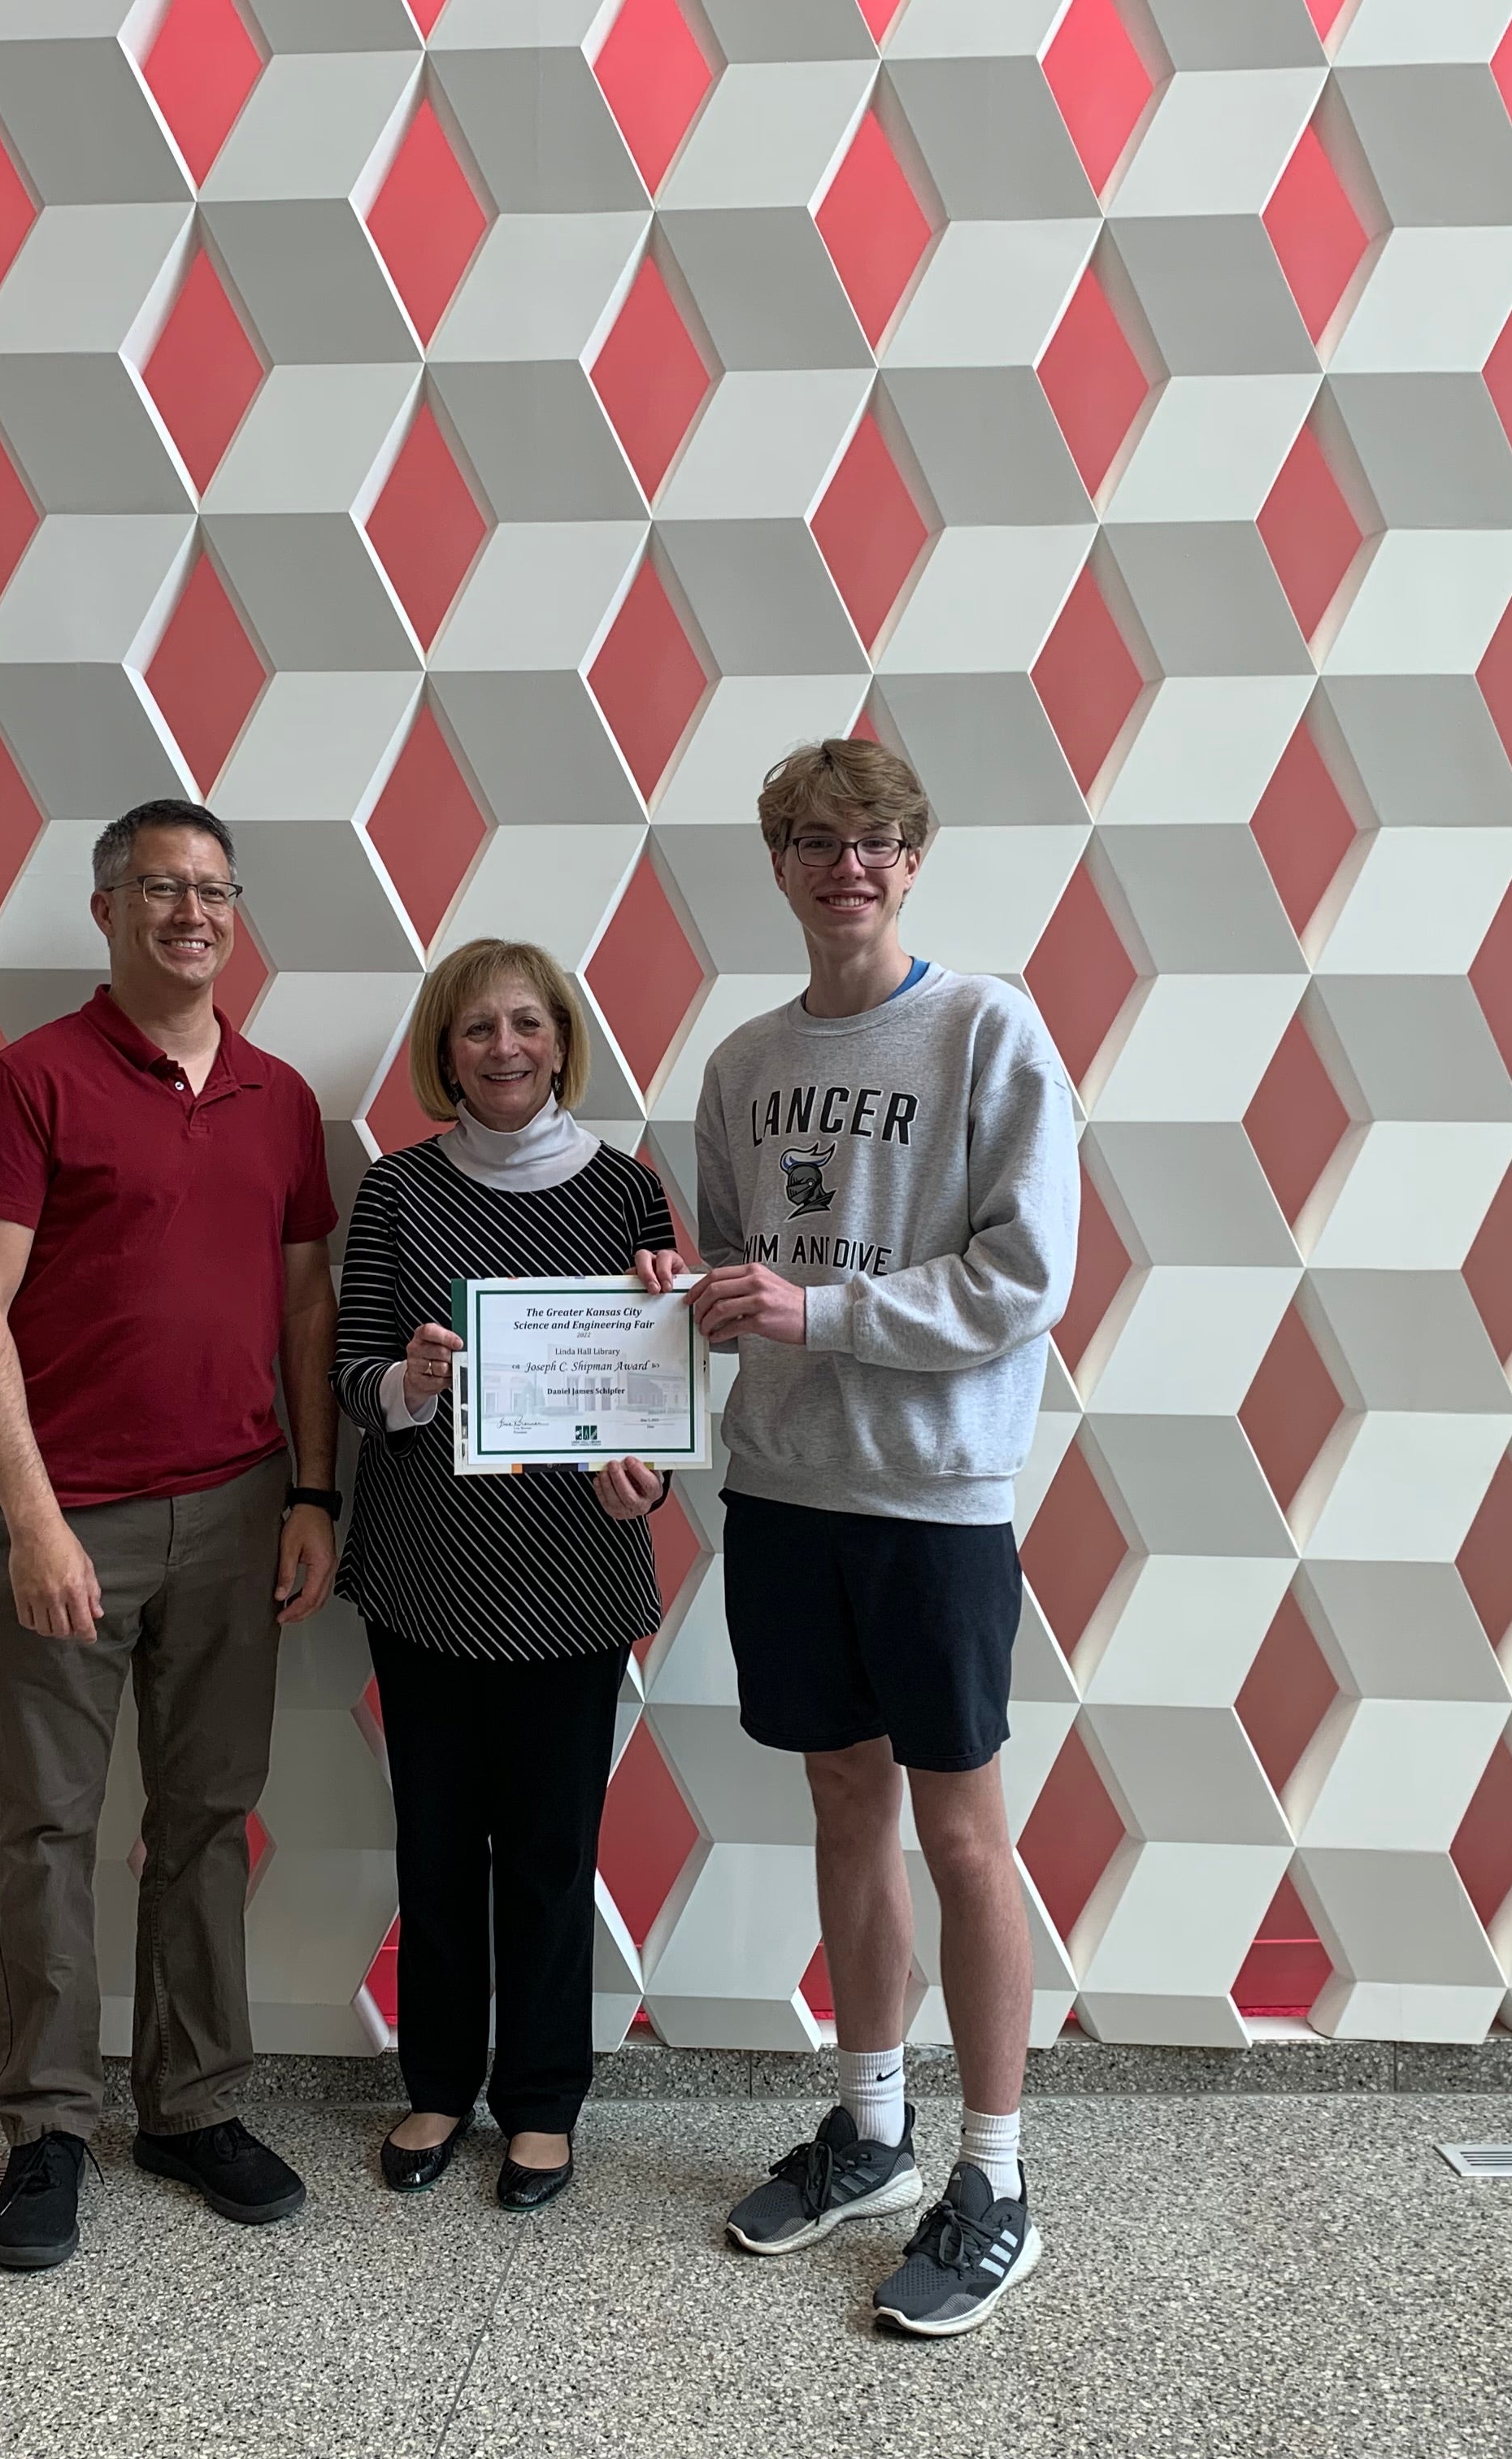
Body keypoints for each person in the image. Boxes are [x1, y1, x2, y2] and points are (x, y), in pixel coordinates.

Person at [641, 739, 1076, 2337]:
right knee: (844, 1806)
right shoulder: (747, 1062)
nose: (852, 865)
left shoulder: (985, 1031)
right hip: (787, 1493)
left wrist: (814, 1305)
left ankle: (999, 2179)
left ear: (915, 857)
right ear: (779, 860)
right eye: (820, 840)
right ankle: (875, 2130)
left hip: (934, 1502)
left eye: (881, 838)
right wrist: (667, 1330)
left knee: (965, 1836)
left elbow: (1025, 1278)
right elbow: (740, 1282)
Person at [0, 795, 344, 2273]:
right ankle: (47, 2128)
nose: (193, 914)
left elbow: (306, 1303)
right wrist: (36, 1523)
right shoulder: (28, 1083)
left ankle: (190, 2106)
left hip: (240, 1511)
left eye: (216, 891)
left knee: (207, 1823)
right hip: (68, 1521)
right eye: (162, 888)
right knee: (47, 1828)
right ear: (105, 911)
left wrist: (310, 1491)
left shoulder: (281, 1099)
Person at [333, 940, 677, 2212]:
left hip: (576, 1574)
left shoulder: (630, 1194)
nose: (504, 1048)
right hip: (430, 1574)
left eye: (526, 1023)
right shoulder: (398, 1192)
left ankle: (542, 2102)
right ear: (445, 1050)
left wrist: (648, 1473)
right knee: (434, 1847)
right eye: (476, 1028)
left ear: (560, 1038)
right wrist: (411, 1385)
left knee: (548, 1848)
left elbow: (661, 1385)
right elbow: (349, 1374)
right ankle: (435, 2084)